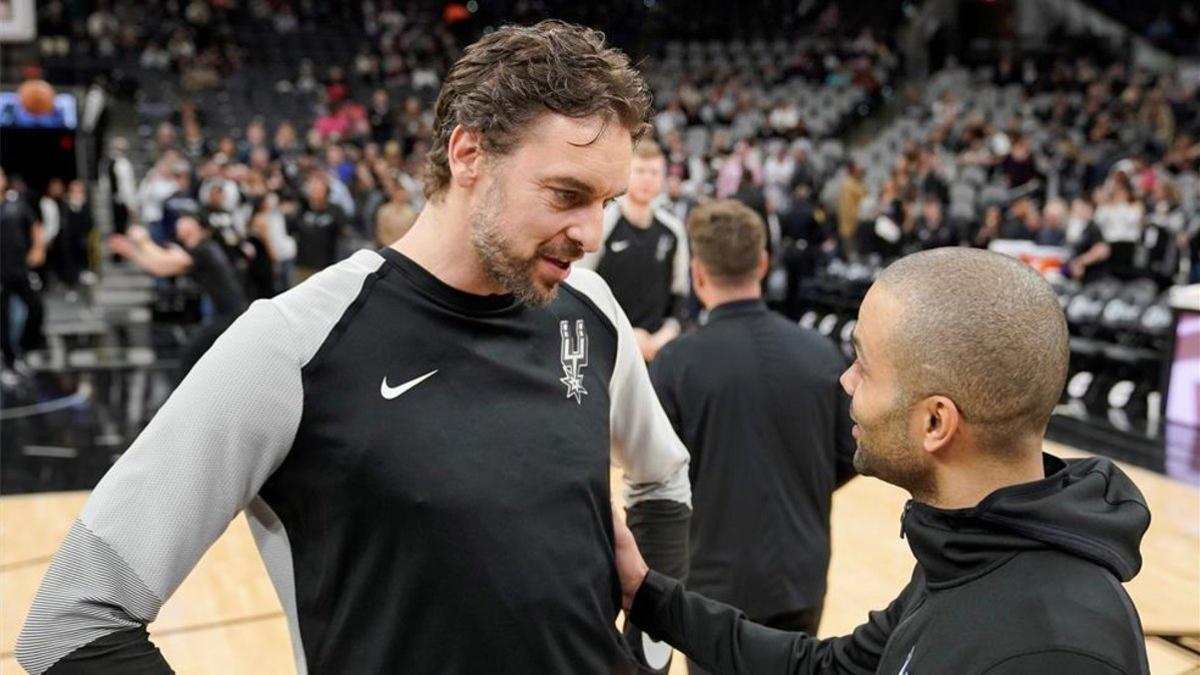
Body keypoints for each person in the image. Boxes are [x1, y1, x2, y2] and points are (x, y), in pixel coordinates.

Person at [18, 20, 691, 675]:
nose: (593, 233)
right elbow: (74, 619)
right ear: (468, 155)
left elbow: (662, 477)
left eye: (603, 200)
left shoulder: (590, 311)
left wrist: (648, 653)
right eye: (567, 195)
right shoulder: (291, 342)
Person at [614, 247, 1152, 674]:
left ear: (935, 423)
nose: (845, 382)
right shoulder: (973, 547)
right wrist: (649, 595)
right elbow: (825, 667)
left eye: (864, 367)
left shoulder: (1054, 651)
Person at [649, 200, 856, 675]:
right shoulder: (819, 351)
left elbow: (658, 479)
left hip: (713, 586)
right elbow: (850, 453)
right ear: (763, 264)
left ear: (698, 273)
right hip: (801, 572)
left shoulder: (676, 364)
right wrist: (800, 480)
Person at [580, 140, 690, 362]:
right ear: (626, 173)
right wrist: (627, 335)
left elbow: (679, 297)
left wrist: (663, 337)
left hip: (654, 350)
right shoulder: (604, 222)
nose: (647, 178)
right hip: (605, 345)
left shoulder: (673, 230)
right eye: (639, 170)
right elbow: (580, 288)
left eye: (654, 172)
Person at [108, 215, 248, 377]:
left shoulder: (204, 249)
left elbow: (161, 260)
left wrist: (142, 241)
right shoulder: (198, 251)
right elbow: (158, 268)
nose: (179, 224)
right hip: (225, 315)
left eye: (185, 220)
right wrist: (131, 251)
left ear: (196, 226)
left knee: (190, 357)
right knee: (191, 357)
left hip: (231, 315)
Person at [0, 168, 46, 374]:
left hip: (20, 267)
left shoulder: (16, 203)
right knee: (4, 317)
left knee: (36, 307)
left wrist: (38, 247)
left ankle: (25, 349)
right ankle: (9, 360)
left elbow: (35, 225)